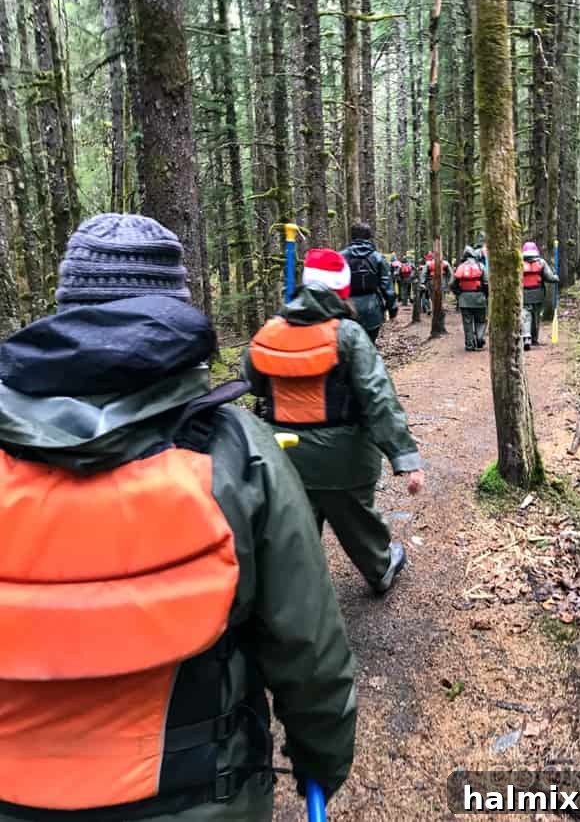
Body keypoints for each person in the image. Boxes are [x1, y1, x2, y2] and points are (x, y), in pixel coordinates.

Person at [0, 214, 356, 822]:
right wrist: (321, 758)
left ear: (66, 307)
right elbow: (308, 648)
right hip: (204, 796)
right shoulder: (233, 449)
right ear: (174, 305)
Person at [241, 248, 425, 595]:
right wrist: (405, 459)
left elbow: (250, 379)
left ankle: (297, 594)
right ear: (342, 292)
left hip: (283, 456)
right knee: (359, 523)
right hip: (345, 461)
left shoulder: (269, 332)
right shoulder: (350, 335)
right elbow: (378, 398)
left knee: (296, 529)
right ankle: (380, 568)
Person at [341, 223, 398, 344]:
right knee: (369, 344)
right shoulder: (377, 257)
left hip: (347, 307)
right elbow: (387, 285)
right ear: (368, 237)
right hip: (372, 308)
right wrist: (392, 309)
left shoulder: (341, 257)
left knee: (349, 345)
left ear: (352, 236)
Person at [521, 240, 559, 350]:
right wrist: (556, 277)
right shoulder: (541, 263)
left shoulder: (519, 263)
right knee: (536, 316)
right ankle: (534, 339)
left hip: (524, 293)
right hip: (538, 294)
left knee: (525, 315)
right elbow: (549, 277)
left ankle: (526, 336)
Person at [451, 245, 489, 351]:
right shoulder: (481, 266)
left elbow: (453, 284)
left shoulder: (460, 267)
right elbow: (486, 283)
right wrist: (486, 295)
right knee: (480, 320)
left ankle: (469, 344)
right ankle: (479, 340)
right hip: (479, 298)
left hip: (464, 300)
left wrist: (459, 294)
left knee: (467, 323)